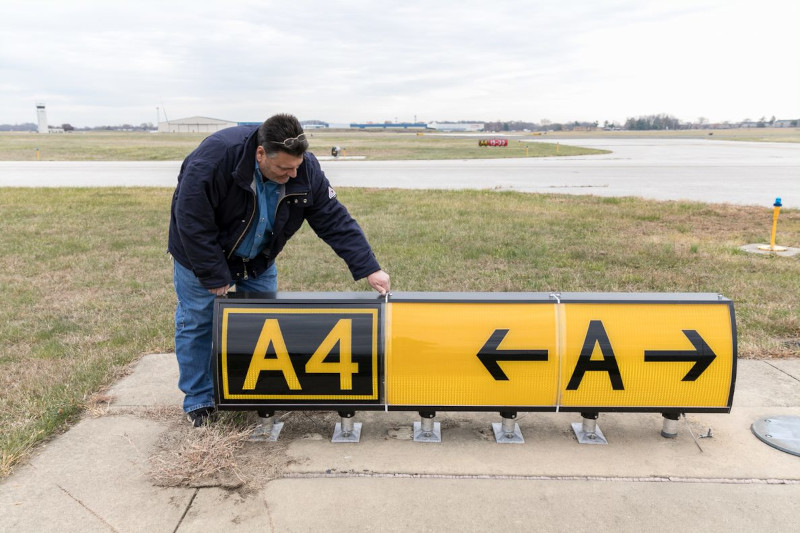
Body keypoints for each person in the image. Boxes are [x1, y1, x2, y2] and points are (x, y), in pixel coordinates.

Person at [168, 113, 390, 427]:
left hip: (258, 258)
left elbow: (333, 219)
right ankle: (200, 400)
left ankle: (250, 389)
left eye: (296, 166)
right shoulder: (214, 159)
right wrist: (213, 273)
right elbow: (191, 219)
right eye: (284, 168)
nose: (292, 174)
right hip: (200, 254)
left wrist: (369, 267)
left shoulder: (305, 169)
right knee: (198, 322)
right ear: (261, 154)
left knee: (262, 324)